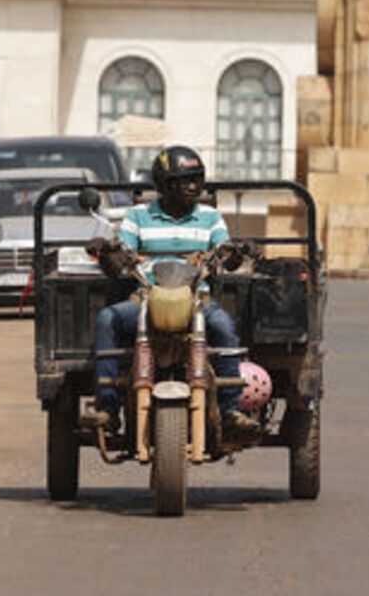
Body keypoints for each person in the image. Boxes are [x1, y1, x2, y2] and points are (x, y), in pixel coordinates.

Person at [89, 145, 251, 432]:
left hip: (196, 300)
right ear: (164, 185)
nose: (192, 186)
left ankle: (231, 410)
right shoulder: (138, 215)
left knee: (224, 326)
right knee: (107, 319)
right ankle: (107, 409)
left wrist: (240, 252)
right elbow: (120, 255)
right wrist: (106, 251)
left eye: (197, 179)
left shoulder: (210, 217)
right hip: (146, 298)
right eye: (183, 180)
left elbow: (226, 255)